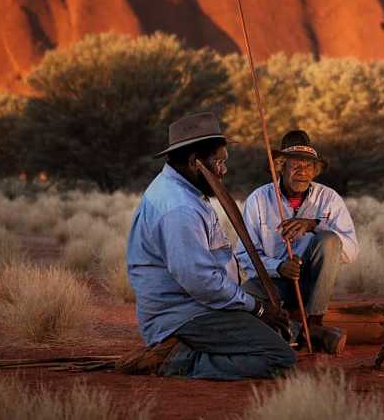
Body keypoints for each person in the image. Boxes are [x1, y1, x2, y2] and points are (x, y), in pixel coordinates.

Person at [126, 113, 296, 380]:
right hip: (182, 315)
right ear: (195, 162)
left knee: (276, 325)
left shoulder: (185, 191)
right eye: (219, 162)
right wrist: (258, 309)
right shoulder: (179, 207)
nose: (223, 170)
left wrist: (254, 308)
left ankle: (198, 349)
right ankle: (177, 360)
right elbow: (202, 283)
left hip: (202, 305)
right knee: (280, 359)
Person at [236, 130, 358, 354]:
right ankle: (309, 333)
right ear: (280, 167)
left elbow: (351, 251)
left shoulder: (329, 199)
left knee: (330, 240)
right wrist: (279, 267)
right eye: (296, 166)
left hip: (313, 286)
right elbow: (245, 256)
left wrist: (315, 225)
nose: (303, 172)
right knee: (242, 299)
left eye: (309, 166)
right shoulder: (258, 200)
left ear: (316, 170)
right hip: (274, 284)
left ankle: (313, 323)